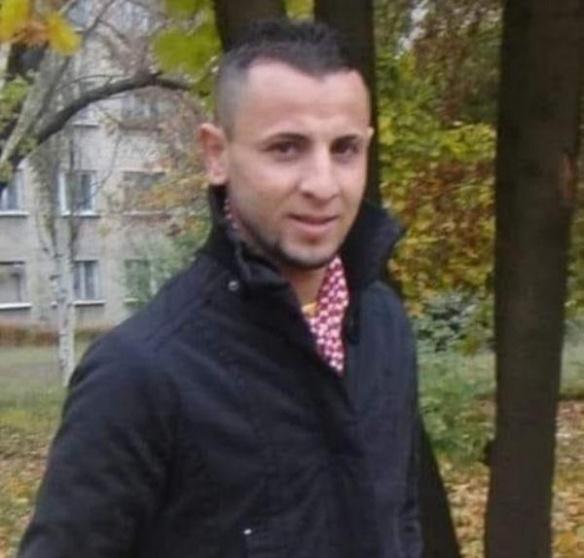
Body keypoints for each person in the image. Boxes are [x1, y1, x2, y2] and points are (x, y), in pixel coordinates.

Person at [18, 19, 422, 558]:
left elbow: (401, 519)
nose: (323, 185)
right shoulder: (140, 374)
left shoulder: (382, 323)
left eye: (345, 149)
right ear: (216, 154)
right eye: (286, 148)